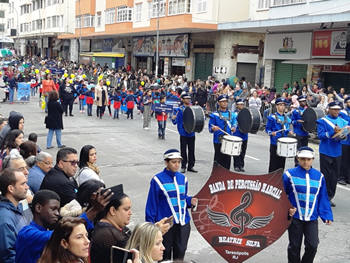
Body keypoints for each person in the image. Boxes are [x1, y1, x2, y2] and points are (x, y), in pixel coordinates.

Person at [145, 149, 198, 261]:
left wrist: (190, 201)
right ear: (166, 162)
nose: (177, 165)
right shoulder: (157, 180)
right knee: (164, 255)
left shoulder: (183, 179)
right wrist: (151, 226)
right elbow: (151, 204)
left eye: (178, 162)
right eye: (174, 162)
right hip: (166, 225)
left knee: (180, 255)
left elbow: (182, 198)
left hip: (183, 224)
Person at [283, 147, 333, 263]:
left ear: (313, 160)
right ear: (298, 159)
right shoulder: (289, 175)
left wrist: (327, 215)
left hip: (312, 218)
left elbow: (323, 197)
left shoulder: (319, 177)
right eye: (303, 159)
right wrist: (287, 209)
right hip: (295, 218)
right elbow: (281, 195)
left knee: (313, 245)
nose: (306, 162)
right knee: (294, 247)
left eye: (309, 159)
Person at [317, 101, 349, 207]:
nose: (336, 111)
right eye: (334, 109)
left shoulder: (343, 121)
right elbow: (320, 135)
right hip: (326, 151)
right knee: (325, 176)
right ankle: (324, 197)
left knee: (334, 177)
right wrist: (332, 132)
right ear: (329, 109)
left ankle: (330, 196)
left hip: (337, 152)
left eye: (338, 109)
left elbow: (344, 137)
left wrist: (343, 135)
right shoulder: (322, 121)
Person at [0, 168, 29, 263]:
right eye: (22, 184)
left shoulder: (18, 208)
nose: (27, 187)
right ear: (11, 189)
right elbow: (8, 257)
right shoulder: (5, 219)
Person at [208, 95, 237, 170]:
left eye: (226, 102)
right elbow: (210, 127)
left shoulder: (232, 114)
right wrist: (213, 128)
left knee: (227, 160)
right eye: (222, 102)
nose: (224, 103)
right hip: (218, 140)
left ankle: (225, 177)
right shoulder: (214, 115)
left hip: (228, 140)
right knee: (218, 160)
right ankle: (216, 176)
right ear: (218, 103)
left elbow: (234, 123)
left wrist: (234, 127)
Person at [266, 98, 294, 173]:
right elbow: (267, 129)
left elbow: (287, 128)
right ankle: (271, 181)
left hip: (284, 143)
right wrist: (271, 133)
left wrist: (290, 131)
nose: (282, 107)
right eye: (280, 105)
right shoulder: (272, 117)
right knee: (273, 164)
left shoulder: (287, 118)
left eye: (283, 105)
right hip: (275, 143)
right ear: (276, 106)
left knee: (281, 164)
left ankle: (279, 181)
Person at [172, 93, 197, 173]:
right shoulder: (179, 109)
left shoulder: (193, 109)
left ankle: (191, 166)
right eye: (186, 98)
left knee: (191, 150)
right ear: (182, 100)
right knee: (183, 150)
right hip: (183, 133)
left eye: (189, 98)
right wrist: (173, 118)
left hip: (192, 133)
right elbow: (175, 122)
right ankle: (183, 166)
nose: (188, 100)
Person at [291, 95, 310, 166]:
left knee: (304, 150)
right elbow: (292, 122)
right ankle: (297, 164)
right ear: (299, 102)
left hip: (305, 133)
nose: (304, 102)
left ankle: (304, 164)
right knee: (298, 150)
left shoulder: (307, 111)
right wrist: (297, 121)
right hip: (298, 133)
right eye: (302, 101)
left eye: (304, 101)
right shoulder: (295, 111)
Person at [232, 99, 248, 172]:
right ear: (236, 105)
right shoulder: (234, 114)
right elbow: (233, 123)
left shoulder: (246, 113)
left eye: (242, 104)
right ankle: (236, 165)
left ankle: (241, 165)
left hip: (244, 135)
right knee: (236, 150)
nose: (241, 105)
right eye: (240, 104)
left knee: (243, 151)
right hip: (237, 134)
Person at [338, 97, 350, 185]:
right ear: (346, 103)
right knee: (344, 160)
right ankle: (341, 177)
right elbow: (346, 122)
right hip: (344, 140)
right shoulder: (343, 112)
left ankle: (348, 177)